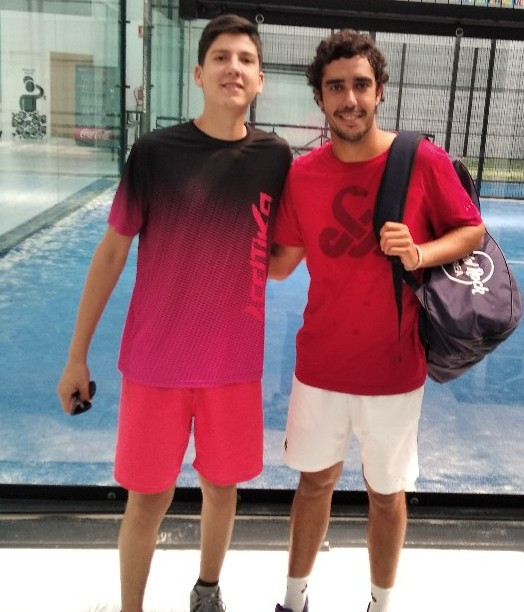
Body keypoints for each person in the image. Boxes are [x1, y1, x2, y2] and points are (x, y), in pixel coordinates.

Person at [57, 14, 292, 612]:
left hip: (232, 366)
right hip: (155, 364)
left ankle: (207, 591)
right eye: (221, 57)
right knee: (148, 498)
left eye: (245, 59)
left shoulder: (276, 159)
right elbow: (112, 252)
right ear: (198, 73)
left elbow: (279, 261)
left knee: (222, 487)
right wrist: (77, 356)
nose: (233, 68)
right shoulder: (155, 154)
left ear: (260, 79)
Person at [269, 30, 485, 612]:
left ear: (380, 90)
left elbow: (472, 230)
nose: (350, 99)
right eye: (336, 87)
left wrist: (420, 252)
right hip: (320, 366)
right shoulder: (302, 176)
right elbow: (280, 263)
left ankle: (380, 605)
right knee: (314, 482)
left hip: (395, 367)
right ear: (320, 97)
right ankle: (294, 600)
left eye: (361, 85)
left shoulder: (422, 161)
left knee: (387, 494)